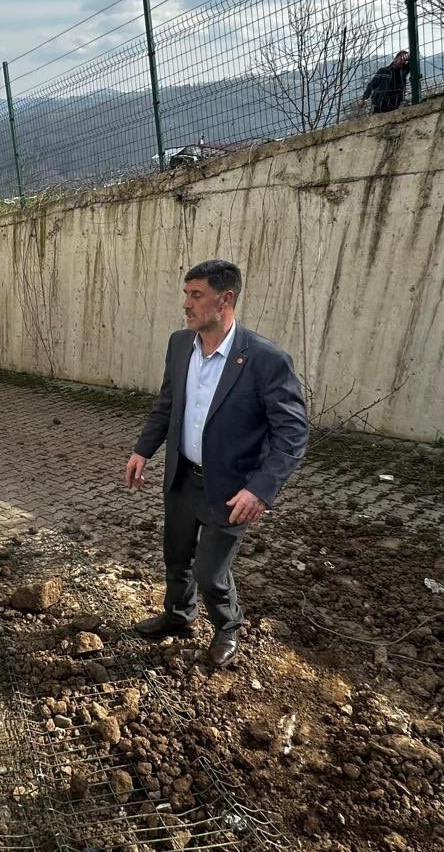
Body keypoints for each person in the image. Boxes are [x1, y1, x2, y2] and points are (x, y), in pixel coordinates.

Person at [124, 260, 309, 668]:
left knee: (210, 572)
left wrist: (262, 488)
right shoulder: (179, 344)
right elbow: (167, 404)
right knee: (176, 556)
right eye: (186, 294)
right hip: (181, 478)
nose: (185, 305)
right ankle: (177, 615)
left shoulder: (264, 359)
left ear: (225, 300)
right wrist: (143, 450)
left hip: (232, 489)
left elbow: (292, 433)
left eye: (196, 295)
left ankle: (227, 627)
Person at [361, 50, 410, 114]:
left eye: (405, 60)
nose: (402, 61)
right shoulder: (383, 71)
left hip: (395, 106)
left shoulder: (403, 72)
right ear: (395, 58)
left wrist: (409, 56)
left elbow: (413, 62)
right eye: (401, 58)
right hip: (380, 105)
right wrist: (364, 98)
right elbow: (372, 84)